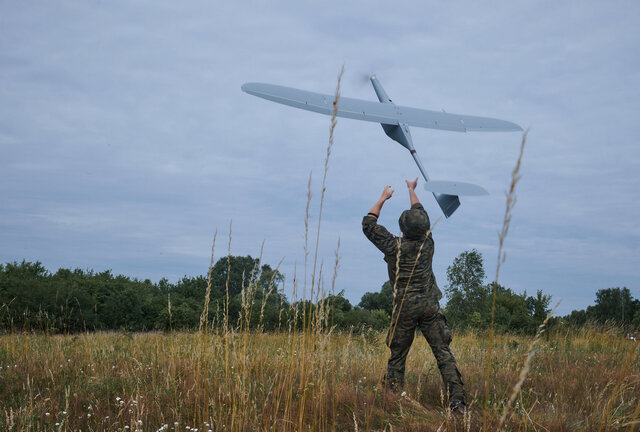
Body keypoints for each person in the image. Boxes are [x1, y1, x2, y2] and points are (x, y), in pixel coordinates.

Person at [362, 178, 466, 413]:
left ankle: (392, 399)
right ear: (424, 228)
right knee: (443, 353)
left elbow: (368, 224)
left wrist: (383, 198)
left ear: (402, 230)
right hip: (430, 307)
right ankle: (457, 402)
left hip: (404, 309)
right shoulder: (428, 243)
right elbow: (420, 212)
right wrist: (411, 189)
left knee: (398, 355)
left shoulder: (393, 247)